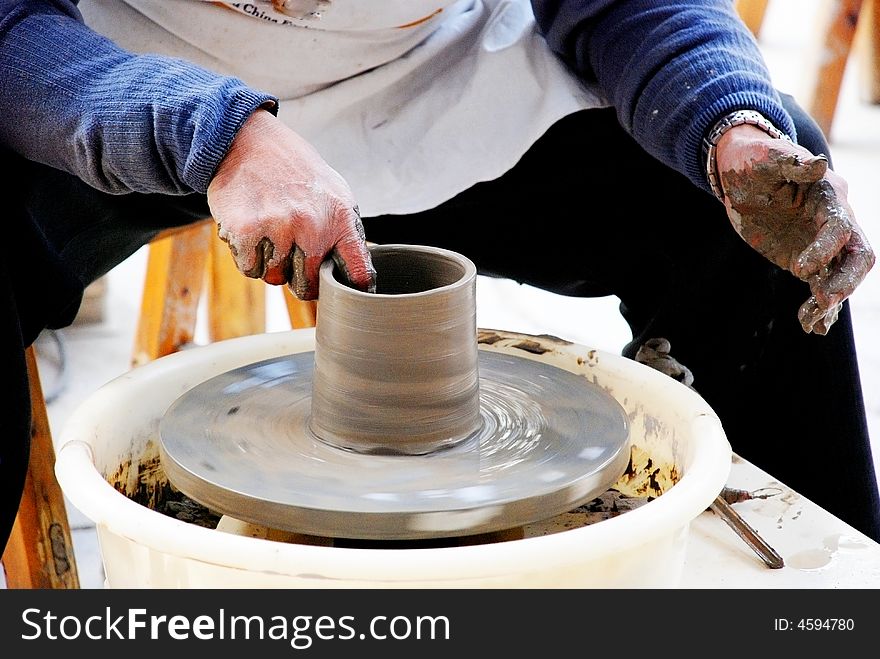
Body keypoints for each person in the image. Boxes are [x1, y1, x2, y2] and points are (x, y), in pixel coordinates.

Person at [1, 0, 877, 561]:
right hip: (124, 62)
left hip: (430, 71)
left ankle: (816, 600)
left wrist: (730, 126)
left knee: (745, 222)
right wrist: (215, 134)